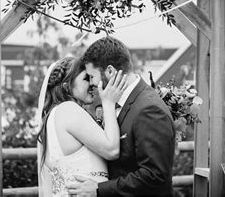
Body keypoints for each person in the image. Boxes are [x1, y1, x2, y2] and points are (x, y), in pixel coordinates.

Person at [67, 36, 176, 196]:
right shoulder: (113, 103)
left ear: (110, 71)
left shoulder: (149, 109)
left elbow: (155, 176)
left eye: (92, 77)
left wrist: (99, 190)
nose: (91, 83)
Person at [36, 56, 128, 196]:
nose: (93, 83)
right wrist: (108, 103)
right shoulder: (68, 109)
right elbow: (112, 149)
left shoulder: (56, 114)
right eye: (86, 78)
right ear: (67, 86)